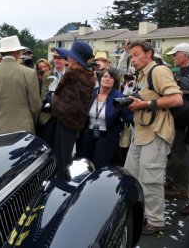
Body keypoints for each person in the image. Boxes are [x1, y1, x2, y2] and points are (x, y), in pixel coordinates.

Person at [123, 40, 183, 235]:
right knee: (131, 174)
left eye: (136, 55)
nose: (133, 59)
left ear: (148, 54)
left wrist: (145, 104)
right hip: (141, 132)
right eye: (131, 56)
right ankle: (139, 213)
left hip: (156, 132)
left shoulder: (157, 71)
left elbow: (176, 99)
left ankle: (156, 221)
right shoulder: (143, 74)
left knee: (150, 179)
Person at [50, 41, 96, 177]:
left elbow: (66, 107)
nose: (67, 58)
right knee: (63, 157)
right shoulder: (87, 76)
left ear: (75, 60)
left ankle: (59, 188)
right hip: (73, 124)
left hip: (66, 123)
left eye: (70, 56)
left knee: (61, 159)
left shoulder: (74, 76)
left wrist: (51, 99)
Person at [0, 35, 41, 135]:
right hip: (25, 128)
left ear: (1, 52)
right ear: (16, 52)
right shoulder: (29, 73)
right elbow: (35, 105)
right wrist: (32, 121)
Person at [79, 68, 133, 168]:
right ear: (100, 79)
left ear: (115, 81)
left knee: (99, 165)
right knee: (84, 163)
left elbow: (128, 117)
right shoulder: (91, 93)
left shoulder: (119, 97)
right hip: (89, 135)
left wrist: (142, 108)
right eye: (105, 76)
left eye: (111, 77)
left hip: (107, 137)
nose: (107, 79)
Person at [164, 43, 189, 212]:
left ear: (186, 55)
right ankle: (175, 183)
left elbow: (188, 86)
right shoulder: (182, 71)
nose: (173, 57)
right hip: (180, 120)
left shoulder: (185, 73)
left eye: (175, 55)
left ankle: (181, 188)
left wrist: (172, 78)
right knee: (175, 153)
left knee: (182, 156)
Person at [37, 48, 68, 146]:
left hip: (64, 115)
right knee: (47, 143)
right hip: (49, 115)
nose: (57, 60)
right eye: (55, 58)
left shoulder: (71, 74)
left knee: (61, 145)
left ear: (65, 60)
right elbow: (44, 95)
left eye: (59, 58)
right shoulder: (47, 74)